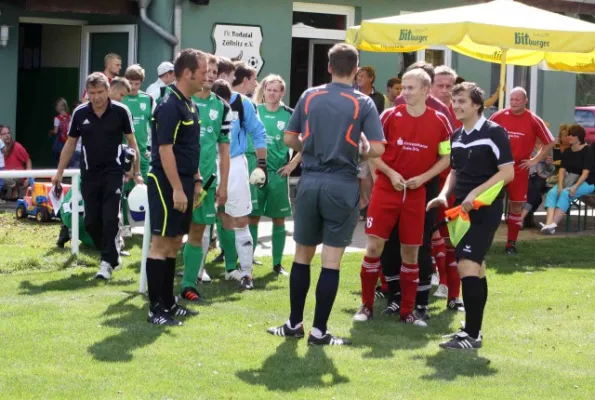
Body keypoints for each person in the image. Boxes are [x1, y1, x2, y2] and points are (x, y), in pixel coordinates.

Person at [267, 43, 385, 346]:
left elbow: (289, 137)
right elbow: (377, 148)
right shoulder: (364, 103)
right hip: (342, 182)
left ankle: (294, 323)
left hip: (310, 181)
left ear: (329, 67)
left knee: (302, 257)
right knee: (330, 261)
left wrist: (314, 148)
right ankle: (319, 331)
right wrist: (358, 150)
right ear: (356, 70)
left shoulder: (309, 96)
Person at [354, 68, 451, 324]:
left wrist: (425, 177)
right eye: (403, 87)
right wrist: (390, 173)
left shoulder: (439, 121)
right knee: (374, 247)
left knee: (411, 252)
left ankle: (408, 311)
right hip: (387, 190)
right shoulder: (388, 116)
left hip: (417, 194)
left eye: (410, 88)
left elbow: (447, 157)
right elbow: (373, 153)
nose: (404, 92)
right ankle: (366, 306)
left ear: (425, 91)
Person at [427, 82, 514, 350]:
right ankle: (472, 332)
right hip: (461, 211)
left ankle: (472, 335)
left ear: (477, 105)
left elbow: (507, 172)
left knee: (465, 263)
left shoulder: (494, 132)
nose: (456, 106)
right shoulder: (457, 135)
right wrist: (444, 194)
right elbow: (455, 171)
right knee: (476, 267)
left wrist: (475, 193)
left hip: (485, 209)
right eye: (454, 101)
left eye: (462, 101)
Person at [52, 72, 143, 280]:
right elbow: (70, 144)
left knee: (110, 216)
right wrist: (59, 173)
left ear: (108, 89)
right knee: (92, 221)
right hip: (89, 173)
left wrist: (135, 171)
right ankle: (112, 254)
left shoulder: (121, 111)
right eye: (92, 93)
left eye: (100, 92)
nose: (96, 97)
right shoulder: (80, 113)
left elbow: (132, 142)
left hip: (114, 171)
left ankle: (105, 263)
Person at [144, 48, 207, 326]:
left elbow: (188, 148)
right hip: (166, 182)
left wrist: (194, 179)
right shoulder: (169, 104)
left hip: (183, 180)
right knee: (160, 245)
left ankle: (169, 302)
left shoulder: (190, 103)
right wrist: (177, 189)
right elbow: (165, 149)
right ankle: (155, 309)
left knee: (173, 244)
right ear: (187, 73)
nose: (206, 76)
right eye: (203, 72)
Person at [179, 55, 232, 300]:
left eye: (214, 71)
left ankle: (189, 284)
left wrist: (224, 184)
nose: (210, 75)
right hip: (179, 180)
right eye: (207, 70)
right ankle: (156, 279)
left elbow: (224, 149)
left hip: (208, 183)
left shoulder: (222, 107)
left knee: (198, 233)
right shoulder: (181, 101)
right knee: (170, 235)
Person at [216, 61, 267, 290]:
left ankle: (246, 272)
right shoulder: (199, 101)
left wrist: (262, 165)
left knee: (240, 217)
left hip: (235, 163)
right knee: (214, 217)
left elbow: (258, 132)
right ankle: (227, 269)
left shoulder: (243, 103)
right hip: (207, 163)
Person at [490, 87, 554, 255]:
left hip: (519, 168)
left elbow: (550, 142)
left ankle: (511, 244)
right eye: (511, 99)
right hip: (496, 168)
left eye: (517, 99)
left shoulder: (533, 120)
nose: (513, 103)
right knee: (487, 203)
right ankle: (483, 241)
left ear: (525, 101)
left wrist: (534, 160)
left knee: (516, 207)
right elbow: (484, 137)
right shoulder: (498, 116)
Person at [249, 74, 297, 276]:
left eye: (276, 90)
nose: (271, 93)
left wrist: (292, 164)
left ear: (282, 92)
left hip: (278, 174)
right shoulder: (254, 111)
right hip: (256, 172)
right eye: (268, 89)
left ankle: (277, 264)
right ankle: (247, 260)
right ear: (264, 90)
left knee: (279, 219)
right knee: (252, 217)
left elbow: (305, 141)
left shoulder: (290, 114)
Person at [429, 65, 462, 302]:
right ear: (430, 87)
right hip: (426, 180)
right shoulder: (423, 109)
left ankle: (448, 287)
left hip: (454, 182)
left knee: (450, 234)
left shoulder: (462, 111)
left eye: (449, 86)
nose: (444, 90)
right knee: (429, 235)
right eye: (439, 85)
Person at [540, 124, 595, 234]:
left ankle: (551, 225)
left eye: (572, 135)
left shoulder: (587, 150)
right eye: (568, 134)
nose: (569, 137)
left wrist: (575, 187)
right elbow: (562, 170)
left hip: (587, 181)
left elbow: (585, 173)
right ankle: (549, 223)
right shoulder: (568, 152)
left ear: (579, 137)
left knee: (566, 193)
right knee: (552, 192)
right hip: (569, 179)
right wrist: (559, 186)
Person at [121, 65, 154, 238]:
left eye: (137, 83)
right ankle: (125, 225)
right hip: (125, 152)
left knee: (144, 189)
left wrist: (150, 147)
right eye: (131, 83)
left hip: (143, 153)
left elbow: (154, 125)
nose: (134, 87)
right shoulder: (121, 98)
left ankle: (144, 224)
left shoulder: (147, 99)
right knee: (124, 190)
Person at [1, 126, 33, 200]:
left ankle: (14, 189)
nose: (7, 135)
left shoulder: (17, 146)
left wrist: (28, 177)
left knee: (4, 177)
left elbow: (28, 160)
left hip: (16, 176)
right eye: (4, 134)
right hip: (4, 175)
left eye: (8, 133)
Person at [49, 98, 71, 164]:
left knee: (58, 156)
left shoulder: (57, 118)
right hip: (68, 140)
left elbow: (55, 131)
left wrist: (50, 132)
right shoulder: (70, 117)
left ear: (58, 107)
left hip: (60, 141)